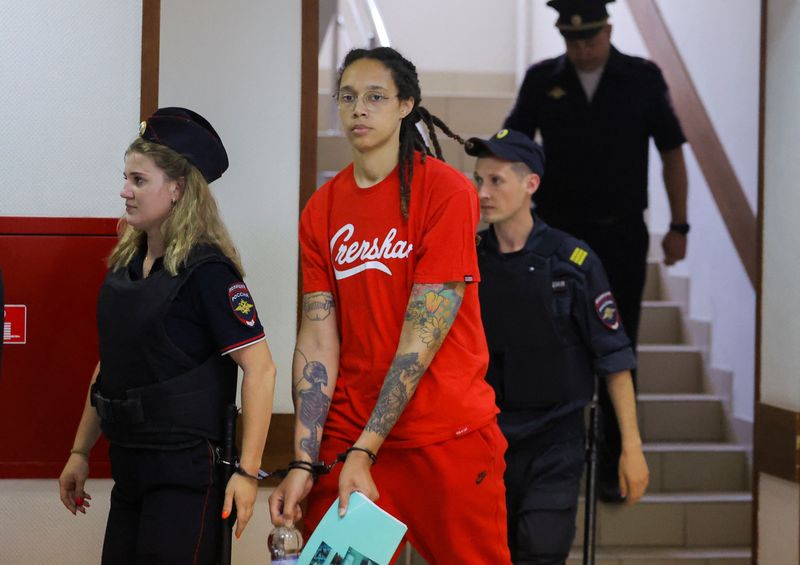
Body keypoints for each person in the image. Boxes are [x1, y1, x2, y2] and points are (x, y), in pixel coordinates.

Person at [268, 47, 511, 565]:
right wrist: (305, 462)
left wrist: (365, 449)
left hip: (444, 436)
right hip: (350, 436)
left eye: (376, 96)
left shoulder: (446, 193)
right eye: (348, 97)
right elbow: (316, 340)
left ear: (406, 105)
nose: (360, 108)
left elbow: (422, 336)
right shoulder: (322, 209)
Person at [57, 107, 276, 564]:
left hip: (185, 478)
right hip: (131, 468)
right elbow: (110, 366)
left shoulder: (208, 272)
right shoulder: (127, 267)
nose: (125, 191)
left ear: (177, 189)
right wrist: (80, 450)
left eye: (139, 180)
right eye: (126, 178)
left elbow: (261, 368)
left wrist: (248, 473)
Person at [504, 0, 688, 500]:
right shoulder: (543, 79)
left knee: (617, 345)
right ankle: (546, 455)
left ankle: (614, 461)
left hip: (621, 237)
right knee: (551, 344)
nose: (583, 48)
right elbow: (513, 144)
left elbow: (672, 151)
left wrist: (679, 225)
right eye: (572, 39)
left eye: (591, 38)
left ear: (608, 30)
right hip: (556, 238)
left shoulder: (642, 78)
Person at [466, 128, 649, 564]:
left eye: (496, 181)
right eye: (478, 180)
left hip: (555, 438)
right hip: (484, 436)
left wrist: (632, 448)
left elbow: (614, 360)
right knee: (484, 551)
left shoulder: (572, 262)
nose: (483, 193)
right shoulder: (466, 260)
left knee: (541, 546)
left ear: (531, 184)